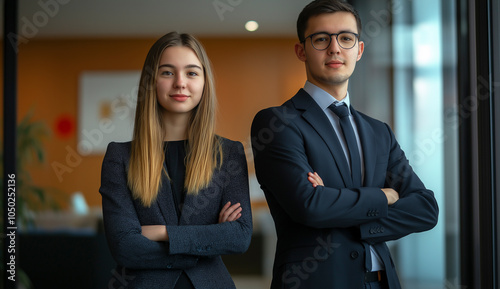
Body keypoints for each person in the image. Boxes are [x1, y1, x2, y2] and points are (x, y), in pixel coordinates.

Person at [250, 1, 439, 288]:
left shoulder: (379, 132)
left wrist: (337, 202)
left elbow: (425, 209)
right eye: (321, 39)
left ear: (359, 50)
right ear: (301, 50)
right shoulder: (277, 123)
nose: (335, 48)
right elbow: (310, 206)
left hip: (382, 281)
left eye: (346, 38)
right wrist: (383, 196)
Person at [99, 32, 252, 289]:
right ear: (151, 81)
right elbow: (125, 247)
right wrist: (209, 239)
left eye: (192, 73)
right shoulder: (119, 156)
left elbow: (239, 236)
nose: (180, 83)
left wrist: (161, 233)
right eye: (167, 72)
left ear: (205, 82)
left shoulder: (229, 153)